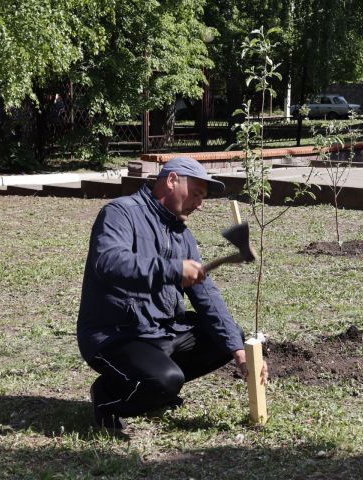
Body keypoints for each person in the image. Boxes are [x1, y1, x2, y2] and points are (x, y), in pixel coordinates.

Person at [77, 156, 266, 431]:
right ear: (172, 180)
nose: (199, 204)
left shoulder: (181, 233)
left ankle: (152, 389)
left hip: (161, 330)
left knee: (226, 337)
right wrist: (172, 270)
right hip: (115, 334)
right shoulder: (120, 213)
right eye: (197, 193)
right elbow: (109, 263)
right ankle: (108, 397)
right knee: (165, 380)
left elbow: (206, 296)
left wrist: (238, 351)